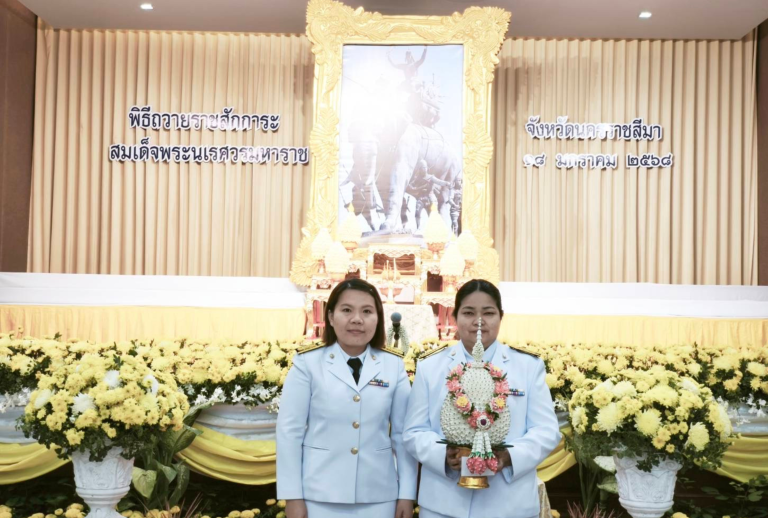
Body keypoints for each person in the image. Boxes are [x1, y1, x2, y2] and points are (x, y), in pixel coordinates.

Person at [403, 279, 561, 518]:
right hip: (443, 504)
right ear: (455, 317)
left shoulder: (527, 366)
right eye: (468, 312)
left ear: (501, 316)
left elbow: (546, 431)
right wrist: (443, 456)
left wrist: (510, 457)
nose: (478, 321)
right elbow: (414, 431)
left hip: (509, 504)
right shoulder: (430, 366)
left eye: (488, 313)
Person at [277, 278, 418, 518]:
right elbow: (289, 431)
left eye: (367, 311)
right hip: (319, 494)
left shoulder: (392, 365)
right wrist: (293, 496)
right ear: (331, 317)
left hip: (378, 495)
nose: (357, 319)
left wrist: (406, 493)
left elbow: (402, 434)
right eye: (346, 310)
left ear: (378, 318)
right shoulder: (308, 363)